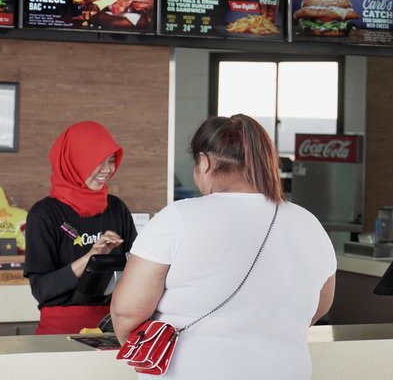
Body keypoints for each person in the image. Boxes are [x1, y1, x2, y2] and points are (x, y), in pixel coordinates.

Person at [111, 114, 336, 379]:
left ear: (204, 162)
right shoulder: (308, 223)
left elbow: (126, 312)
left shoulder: (178, 217)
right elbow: (319, 307)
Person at [24, 121, 138, 335]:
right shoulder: (44, 214)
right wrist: (90, 258)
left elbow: (138, 270)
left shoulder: (116, 208)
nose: (107, 170)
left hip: (114, 327)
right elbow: (41, 290)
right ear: (74, 161)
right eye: (97, 161)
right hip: (60, 332)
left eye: (111, 160)